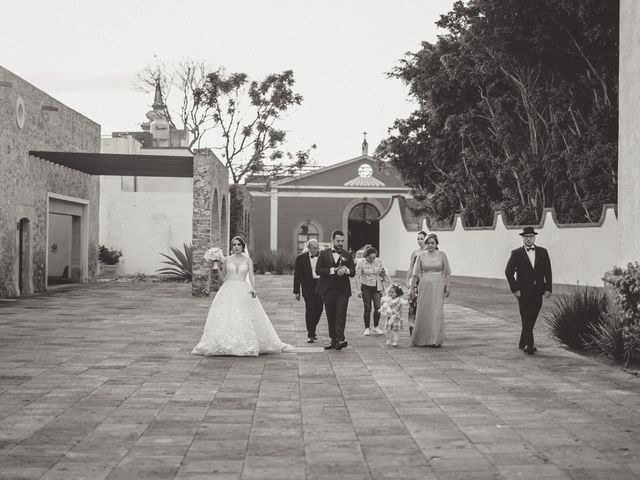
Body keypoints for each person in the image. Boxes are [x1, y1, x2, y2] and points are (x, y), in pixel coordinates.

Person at [191, 236, 293, 356]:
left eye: (239, 245)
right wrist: (215, 267)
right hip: (228, 290)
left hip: (244, 289)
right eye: (234, 245)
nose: (236, 247)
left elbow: (251, 276)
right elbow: (223, 278)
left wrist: (254, 288)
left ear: (243, 246)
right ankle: (225, 343)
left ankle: (245, 342)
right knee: (228, 315)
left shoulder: (247, 260)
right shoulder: (227, 260)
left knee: (244, 315)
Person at [505, 227, 552, 355]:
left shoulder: (543, 252)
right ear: (523, 238)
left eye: (531, 236)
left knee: (531, 318)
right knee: (526, 317)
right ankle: (529, 345)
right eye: (526, 237)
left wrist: (548, 288)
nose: (528, 239)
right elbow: (508, 272)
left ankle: (522, 342)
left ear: (534, 238)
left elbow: (547, 271)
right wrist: (515, 289)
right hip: (523, 292)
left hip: (538, 291)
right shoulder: (516, 253)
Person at [315, 230, 356, 350]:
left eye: (342, 241)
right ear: (332, 240)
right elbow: (318, 270)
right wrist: (333, 270)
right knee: (330, 315)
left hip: (343, 291)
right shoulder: (323, 253)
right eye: (338, 241)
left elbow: (353, 272)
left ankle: (340, 339)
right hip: (328, 290)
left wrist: (346, 270)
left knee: (340, 314)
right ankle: (334, 340)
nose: (340, 243)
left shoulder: (347, 255)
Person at [411, 233, 451, 347]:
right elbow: (415, 274)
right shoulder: (420, 256)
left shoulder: (442, 255)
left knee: (437, 311)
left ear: (436, 244)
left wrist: (448, 286)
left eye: (432, 243)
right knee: (424, 310)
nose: (430, 245)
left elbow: (447, 272)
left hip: (438, 284)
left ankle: (436, 339)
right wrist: (412, 289)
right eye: (428, 243)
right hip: (424, 285)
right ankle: (422, 339)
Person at [355, 246, 391, 336]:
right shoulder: (361, 263)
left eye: (374, 258)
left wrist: (382, 272)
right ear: (366, 256)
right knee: (367, 308)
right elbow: (357, 277)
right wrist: (359, 290)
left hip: (376, 287)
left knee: (378, 307)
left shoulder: (379, 261)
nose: (372, 259)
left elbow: (383, 273)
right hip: (365, 287)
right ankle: (367, 328)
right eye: (370, 258)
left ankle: (376, 327)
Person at [293, 239, 324, 343]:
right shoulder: (300, 258)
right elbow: (297, 276)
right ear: (309, 248)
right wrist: (296, 291)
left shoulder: (323, 256)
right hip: (308, 287)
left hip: (320, 285)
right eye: (314, 248)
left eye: (317, 248)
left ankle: (312, 327)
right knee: (310, 310)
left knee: (319, 309)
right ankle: (311, 334)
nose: (316, 250)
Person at [405, 231, 427, 336]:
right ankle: (412, 328)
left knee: (424, 305)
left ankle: (424, 329)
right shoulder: (415, 253)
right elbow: (411, 268)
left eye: (421, 239)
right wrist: (407, 280)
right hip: (415, 280)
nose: (419, 241)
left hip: (426, 281)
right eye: (418, 239)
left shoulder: (431, 252)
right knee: (412, 304)